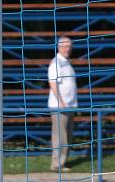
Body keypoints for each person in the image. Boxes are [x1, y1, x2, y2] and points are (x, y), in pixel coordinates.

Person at [47, 36, 77, 172]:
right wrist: (61, 102)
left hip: (69, 105)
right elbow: (53, 83)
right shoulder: (56, 63)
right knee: (60, 137)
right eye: (65, 46)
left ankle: (62, 162)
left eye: (69, 46)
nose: (67, 49)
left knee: (67, 136)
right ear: (59, 47)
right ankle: (57, 164)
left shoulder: (66, 63)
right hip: (60, 106)